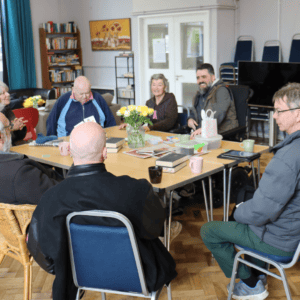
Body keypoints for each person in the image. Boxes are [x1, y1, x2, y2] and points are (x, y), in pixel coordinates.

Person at [28, 121, 178, 300]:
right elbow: (155, 228)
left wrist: (65, 267)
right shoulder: (135, 191)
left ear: (69, 151)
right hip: (139, 276)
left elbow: (38, 246)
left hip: (78, 277)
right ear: (105, 153)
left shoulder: (50, 199)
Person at [200, 82, 300, 300]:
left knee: (210, 230)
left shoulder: (288, 157)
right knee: (247, 208)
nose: (274, 116)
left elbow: (263, 212)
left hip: (279, 241)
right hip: (291, 231)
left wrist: (238, 212)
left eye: (279, 111)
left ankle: (251, 284)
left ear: (298, 115)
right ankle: (258, 274)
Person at [0, 112, 63, 205]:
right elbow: (59, 196)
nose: (11, 130)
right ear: (1, 137)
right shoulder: (21, 172)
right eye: (9, 128)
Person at [46, 76, 116, 137]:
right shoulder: (63, 100)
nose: (85, 96)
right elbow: (51, 121)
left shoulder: (98, 98)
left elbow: (110, 121)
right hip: (68, 140)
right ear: (73, 90)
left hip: (95, 140)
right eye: (81, 94)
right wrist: (53, 141)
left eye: (87, 93)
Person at [188, 63, 238, 138]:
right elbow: (195, 111)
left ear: (213, 77)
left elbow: (219, 115)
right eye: (198, 78)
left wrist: (204, 129)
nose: (200, 80)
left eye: (204, 77)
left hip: (221, 135)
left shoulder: (222, 91)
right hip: (203, 135)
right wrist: (190, 119)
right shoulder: (200, 93)